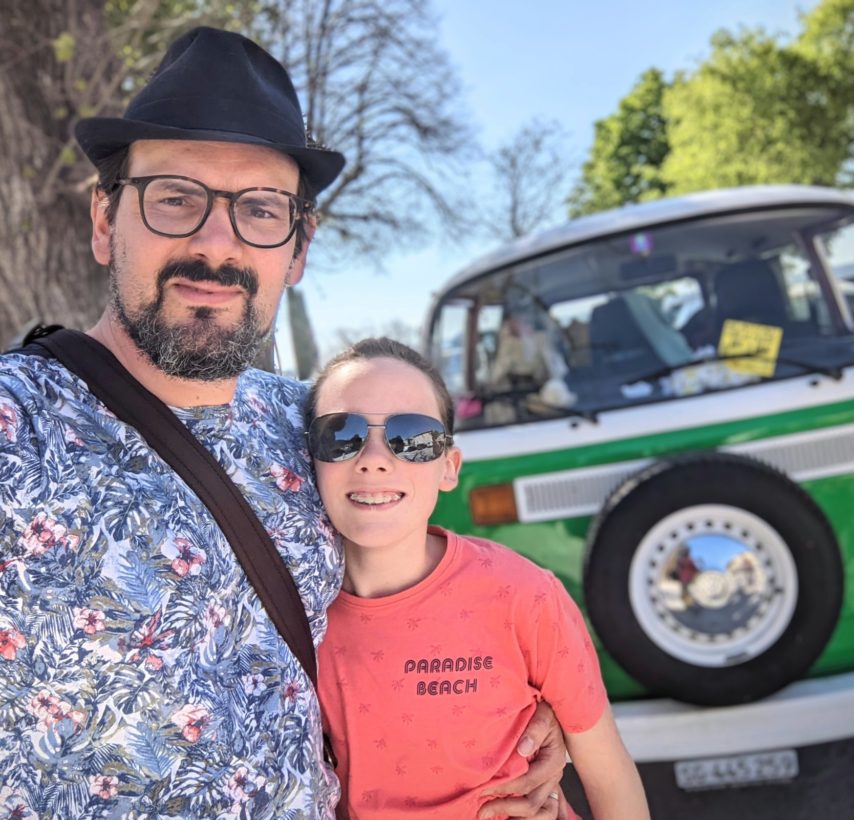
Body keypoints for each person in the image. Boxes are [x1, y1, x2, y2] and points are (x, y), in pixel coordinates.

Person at [0, 27, 565, 819]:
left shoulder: (323, 425)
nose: (215, 244)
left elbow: (425, 595)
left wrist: (528, 705)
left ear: (297, 251)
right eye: (174, 198)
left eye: (261, 210)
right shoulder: (16, 423)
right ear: (105, 220)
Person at [308, 337, 650, 820]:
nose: (374, 458)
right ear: (310, 459)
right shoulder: (293, 616)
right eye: (340, 434)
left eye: (413, 437)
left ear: (449, 467)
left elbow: (610, 776)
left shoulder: (523, 596)